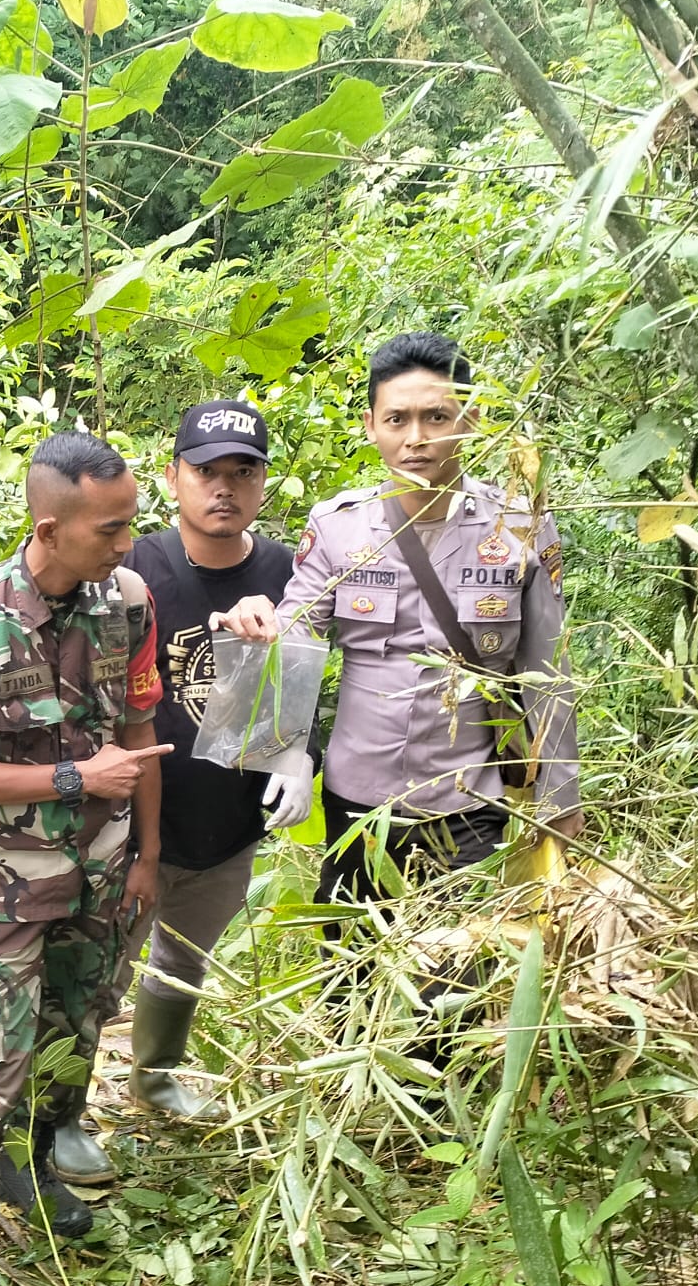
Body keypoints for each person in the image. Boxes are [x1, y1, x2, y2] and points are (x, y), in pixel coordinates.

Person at [0, 431, 170, 1286]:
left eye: (131, 524)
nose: (127, 543)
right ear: (50, 527)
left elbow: (140, 734)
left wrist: (145, 857)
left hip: (103, 875)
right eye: (111, 528)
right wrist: (73, 782)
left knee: (75, 1031)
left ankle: (35, 1164)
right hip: (2, 890)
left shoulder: (128, 601)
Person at [219, 331, 582, 955]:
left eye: (435, 416)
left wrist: (560, 800)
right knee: (351, 976)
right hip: (356, 802)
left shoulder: (520, 525)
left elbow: (549, 670)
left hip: (472, 800)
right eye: (397, 419)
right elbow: (299, 632)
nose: (416, 437)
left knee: (455, 985)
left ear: (470, 419)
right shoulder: (337, 526)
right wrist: (281, 755)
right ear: (371, 425)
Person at [49, 400, 319, 1185]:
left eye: (243, 471)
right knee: (99, 969)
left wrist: (301, 754)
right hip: (132, 818)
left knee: (187, 957)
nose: (224, 488)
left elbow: (301, 681)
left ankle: (156, 1075)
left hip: (228, 818)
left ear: (264, 482)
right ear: (173, 477)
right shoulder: (133, 571)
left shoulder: (286, 572)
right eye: (206, 471)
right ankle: (61, 1115)